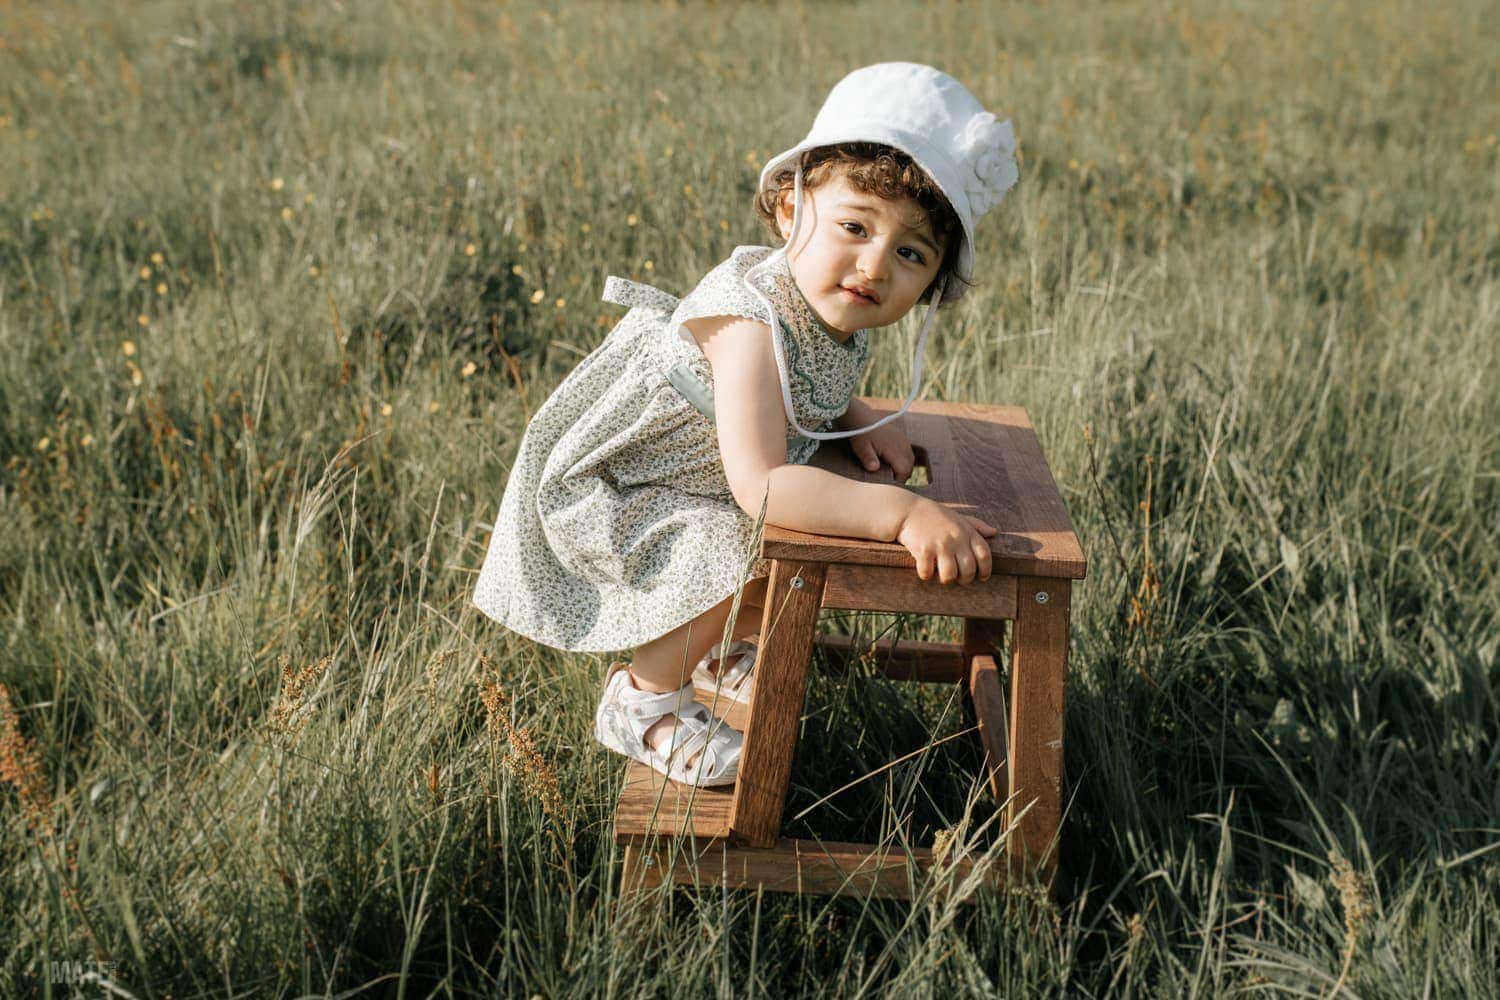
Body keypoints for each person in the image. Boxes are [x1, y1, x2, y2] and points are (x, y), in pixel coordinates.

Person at [472, 62, 1020, 787]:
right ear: (790, 208)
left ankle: (716, 644)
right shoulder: (749, 317)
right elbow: (761, 484)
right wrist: (903, 514)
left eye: (910, 253)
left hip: (705, 470)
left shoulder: (829, 305)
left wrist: (852, 415)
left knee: (807, 508)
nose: (874, 264)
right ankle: (644, 703)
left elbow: (797, 386)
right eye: (855, 226)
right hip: (627, 482)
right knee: (745, 534)